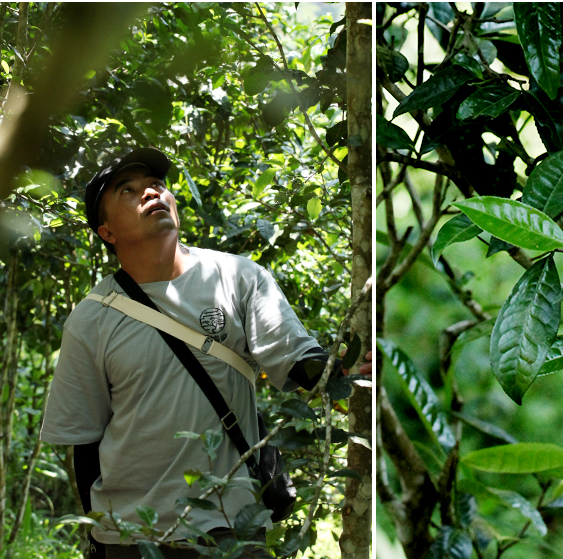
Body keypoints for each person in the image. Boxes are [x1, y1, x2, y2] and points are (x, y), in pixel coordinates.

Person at [39, 147, 371, 559]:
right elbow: (85, 443)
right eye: (128, 190)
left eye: (157, 185)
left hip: (232, 524)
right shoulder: (91, 320)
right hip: (133, 534)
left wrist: (340, 369)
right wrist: (98, 535)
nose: (150, 194)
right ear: (106, 231)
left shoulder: (238, 277)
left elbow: (297, 359)